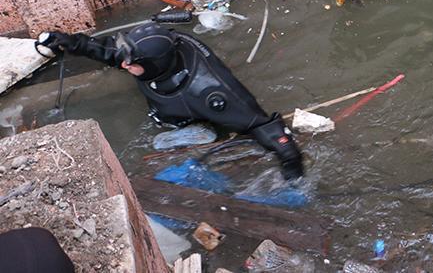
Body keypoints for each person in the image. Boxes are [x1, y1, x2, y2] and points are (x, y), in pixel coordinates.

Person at [35, 22, 303, 179]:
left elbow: (257, 122)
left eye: (132, 62)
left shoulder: (211, 91)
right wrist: (72, 43)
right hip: (166, 102)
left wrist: (289, 160)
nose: (124, 64)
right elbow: (110, 52)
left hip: (193, 119)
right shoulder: (144, 56)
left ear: (154, 65)